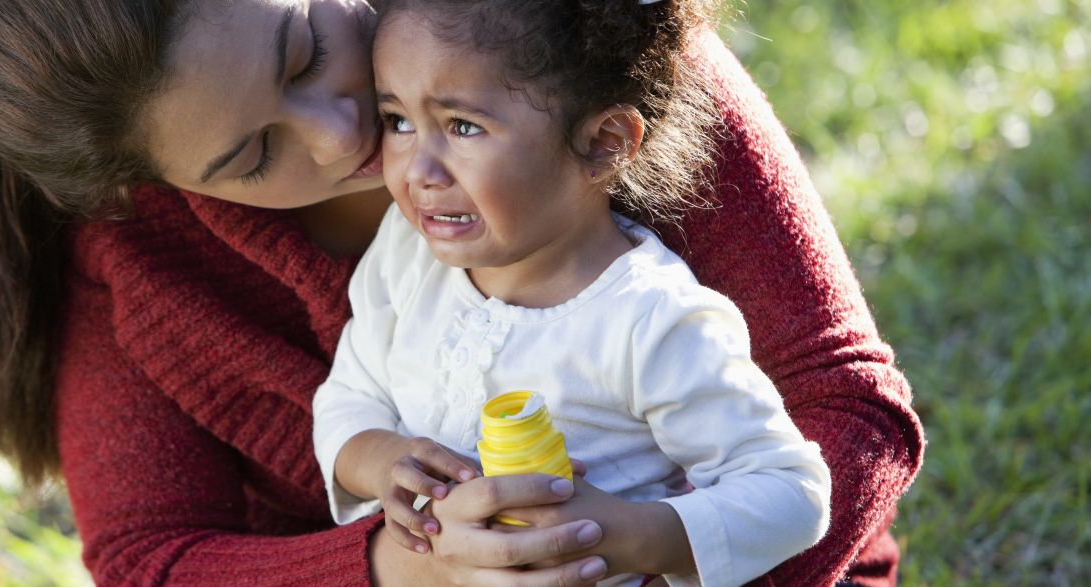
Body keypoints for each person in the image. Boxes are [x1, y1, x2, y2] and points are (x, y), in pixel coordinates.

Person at [0, 0, 923, 585]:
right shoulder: (134, 254)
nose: (341, 136)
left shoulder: (564, 40)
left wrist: (658, 556)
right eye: (254, 153)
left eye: (305, 52)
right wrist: (399, 567)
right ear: (150, 183)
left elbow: (843, 405)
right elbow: (148, 556)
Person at [312, 2, 829, 585]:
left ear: (603, 142)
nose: (417, 170)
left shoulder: (649, 320)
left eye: (463, 127)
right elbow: (347, 398)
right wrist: (382, 461)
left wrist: (625, 537)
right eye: (397, 121)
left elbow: (792, 494)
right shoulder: (405, 254)